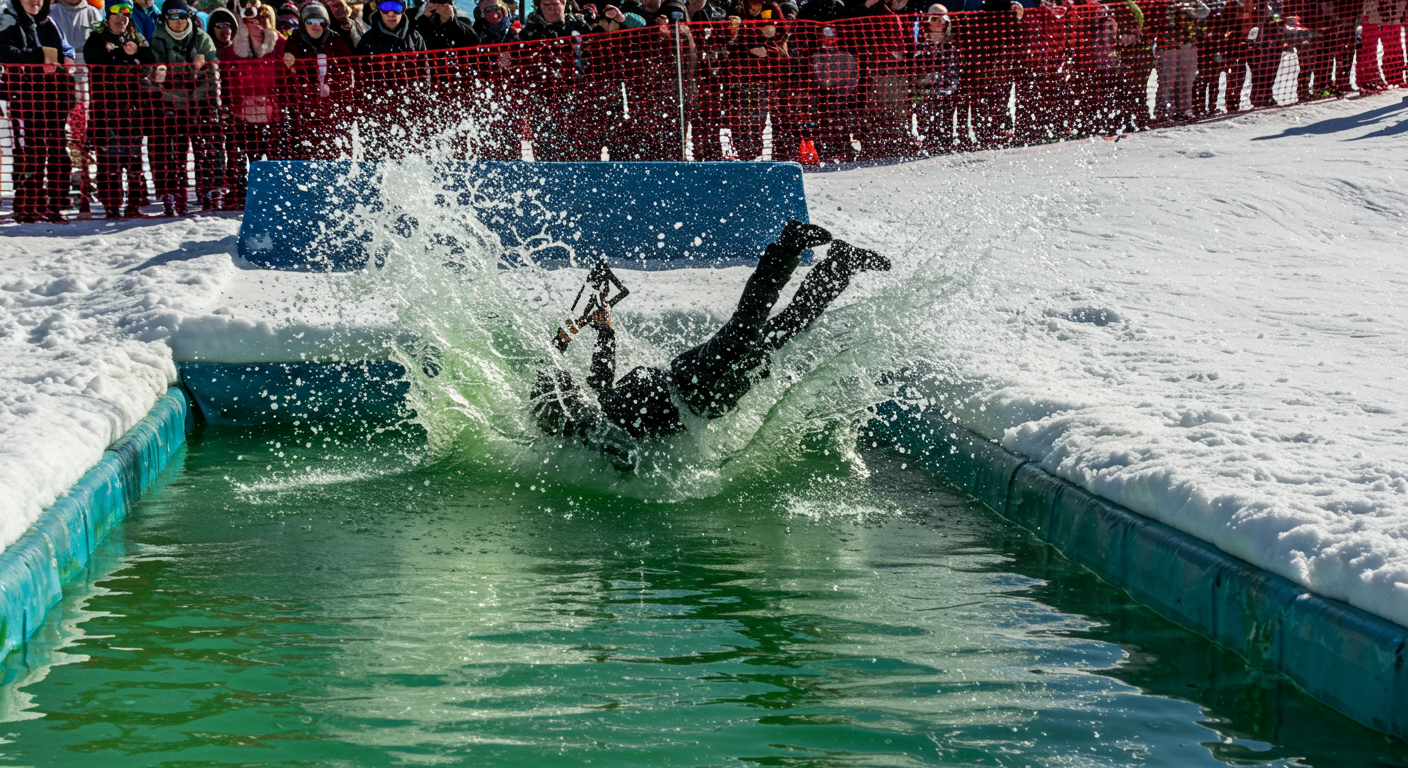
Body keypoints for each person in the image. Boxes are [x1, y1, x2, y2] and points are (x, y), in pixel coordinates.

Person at [531, 220, 891, 466]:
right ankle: (841, 265)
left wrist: (600, 331)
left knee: (744, 332)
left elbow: (599, 371)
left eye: (566, 390)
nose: (572, 390)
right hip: (701, 404)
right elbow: (626, 463)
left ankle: (788, 244)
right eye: (565, 394)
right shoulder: (591, 430)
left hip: (685, 380)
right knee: (783, 333)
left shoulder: (593, 403)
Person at [0, 0, 78, 222]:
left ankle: (55, 203)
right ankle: (27, 204)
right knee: (30, 153)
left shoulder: (48, 21)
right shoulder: (8, 20)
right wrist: (39, 56)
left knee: (57, 151)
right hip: (26, 97)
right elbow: (6, 52)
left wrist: (66, 59)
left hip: (55, 97)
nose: (36, 2)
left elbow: (64, 49)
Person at [84, 0, 157, 218]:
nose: (122, 18)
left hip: (132, 109)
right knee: (110, 161)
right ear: (108, 16)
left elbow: (149, 58)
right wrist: (126, 55)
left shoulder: (135, 38)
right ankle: (112, 208)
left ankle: (133, 206)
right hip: (105, 110)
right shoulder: (96, 38)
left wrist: (134, 53)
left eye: (126, 13)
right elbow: (97, 60)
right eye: (117, 13)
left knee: (134, 160)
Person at [149, 0, 220, 215]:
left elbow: (212, 73)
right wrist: (164, 78)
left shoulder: (201, 38)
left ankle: (208, 191)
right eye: (172, 15)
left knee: (204, 149)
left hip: (200, 102)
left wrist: (200, 95)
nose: (177, 21)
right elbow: (156, 73)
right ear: (165, 18)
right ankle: (175, 194)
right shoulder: (158, 38)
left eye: (181, 15)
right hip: (171, 103)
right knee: (174, 151)